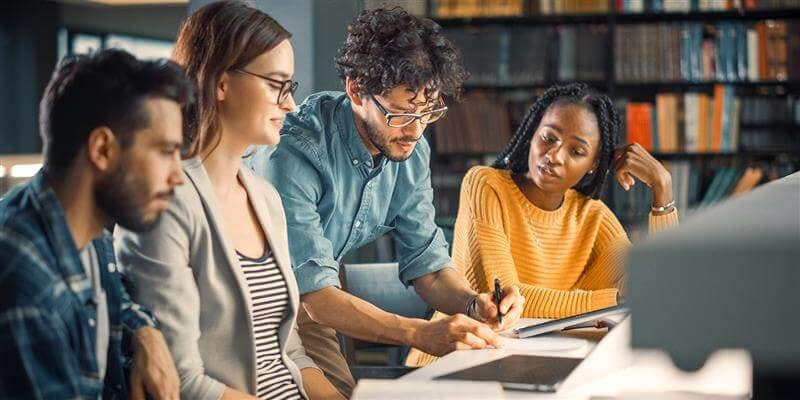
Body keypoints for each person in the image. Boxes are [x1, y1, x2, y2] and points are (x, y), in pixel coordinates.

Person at [245, 7, 524, 397]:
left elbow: (427, 267)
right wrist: (420, 333)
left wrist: (474, 305)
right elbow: (316, 299)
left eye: (428, 112)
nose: (415, 131)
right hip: (255, 303)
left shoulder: (411, 149)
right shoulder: (295, 151)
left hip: (314, 297)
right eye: (401, 114)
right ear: (356, 89)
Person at [115, 2, 342, 399]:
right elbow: (184, 383)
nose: (290, 104)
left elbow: (290, 353)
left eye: (291, 88)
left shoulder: (265, 197)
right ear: (221, 83)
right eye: (277, 84)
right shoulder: (164, 205)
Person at [406, 82, 680, 366]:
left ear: (593, 165)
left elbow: (664, 294)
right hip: (455, 363)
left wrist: (663, 187)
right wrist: (616, 300)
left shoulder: (594, 217)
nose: (554, 156)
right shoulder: (486, 186)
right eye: (549, 137)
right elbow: (506, 303)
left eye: (576, 151)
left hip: (536, 364)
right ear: (533, 131)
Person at [0, 49, 191, 399]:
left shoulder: (88, 227)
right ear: (102, 149)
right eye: (166, 151)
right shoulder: (25, 284)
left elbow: (113, 295)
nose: (178, 175)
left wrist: (146, 332)